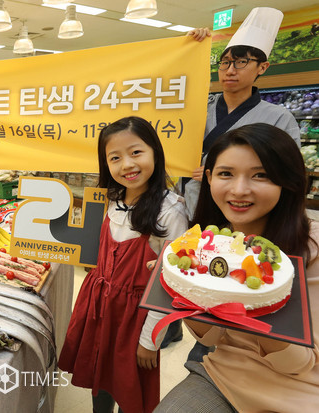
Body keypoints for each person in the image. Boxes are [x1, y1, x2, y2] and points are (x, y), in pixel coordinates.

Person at [163, 7, 301, 351]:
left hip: (246, 215)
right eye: (225, 62)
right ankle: (187, 328)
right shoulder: (198, 106)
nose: (230, 70)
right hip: (194, 204)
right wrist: (189, 49)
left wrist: (222, 173)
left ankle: (231, 342)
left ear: (262, 68)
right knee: (191, 271)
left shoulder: (279, 117)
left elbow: (289, 170)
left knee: (237, 276)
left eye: (241, 62)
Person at [155, 123, 319, 412]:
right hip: (224, 375)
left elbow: (297, 364)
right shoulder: (215, 241)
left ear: (287, 180)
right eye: (226, 174)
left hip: (300, 390)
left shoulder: (311, 246)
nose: (239, 190)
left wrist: (261, 300)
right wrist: (183, 292)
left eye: (261, 175)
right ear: (209, 178)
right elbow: (213, 338)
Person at [58, 117, 188, 413]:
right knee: (100, 376)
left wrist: (150, 340)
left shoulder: (170, 212)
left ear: (155, 152)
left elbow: (169, 284)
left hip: (136, 319)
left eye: (136, 152)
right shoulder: (110, 199)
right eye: (115, 158)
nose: (127, 165)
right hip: (99, 309)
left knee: (131, 389)